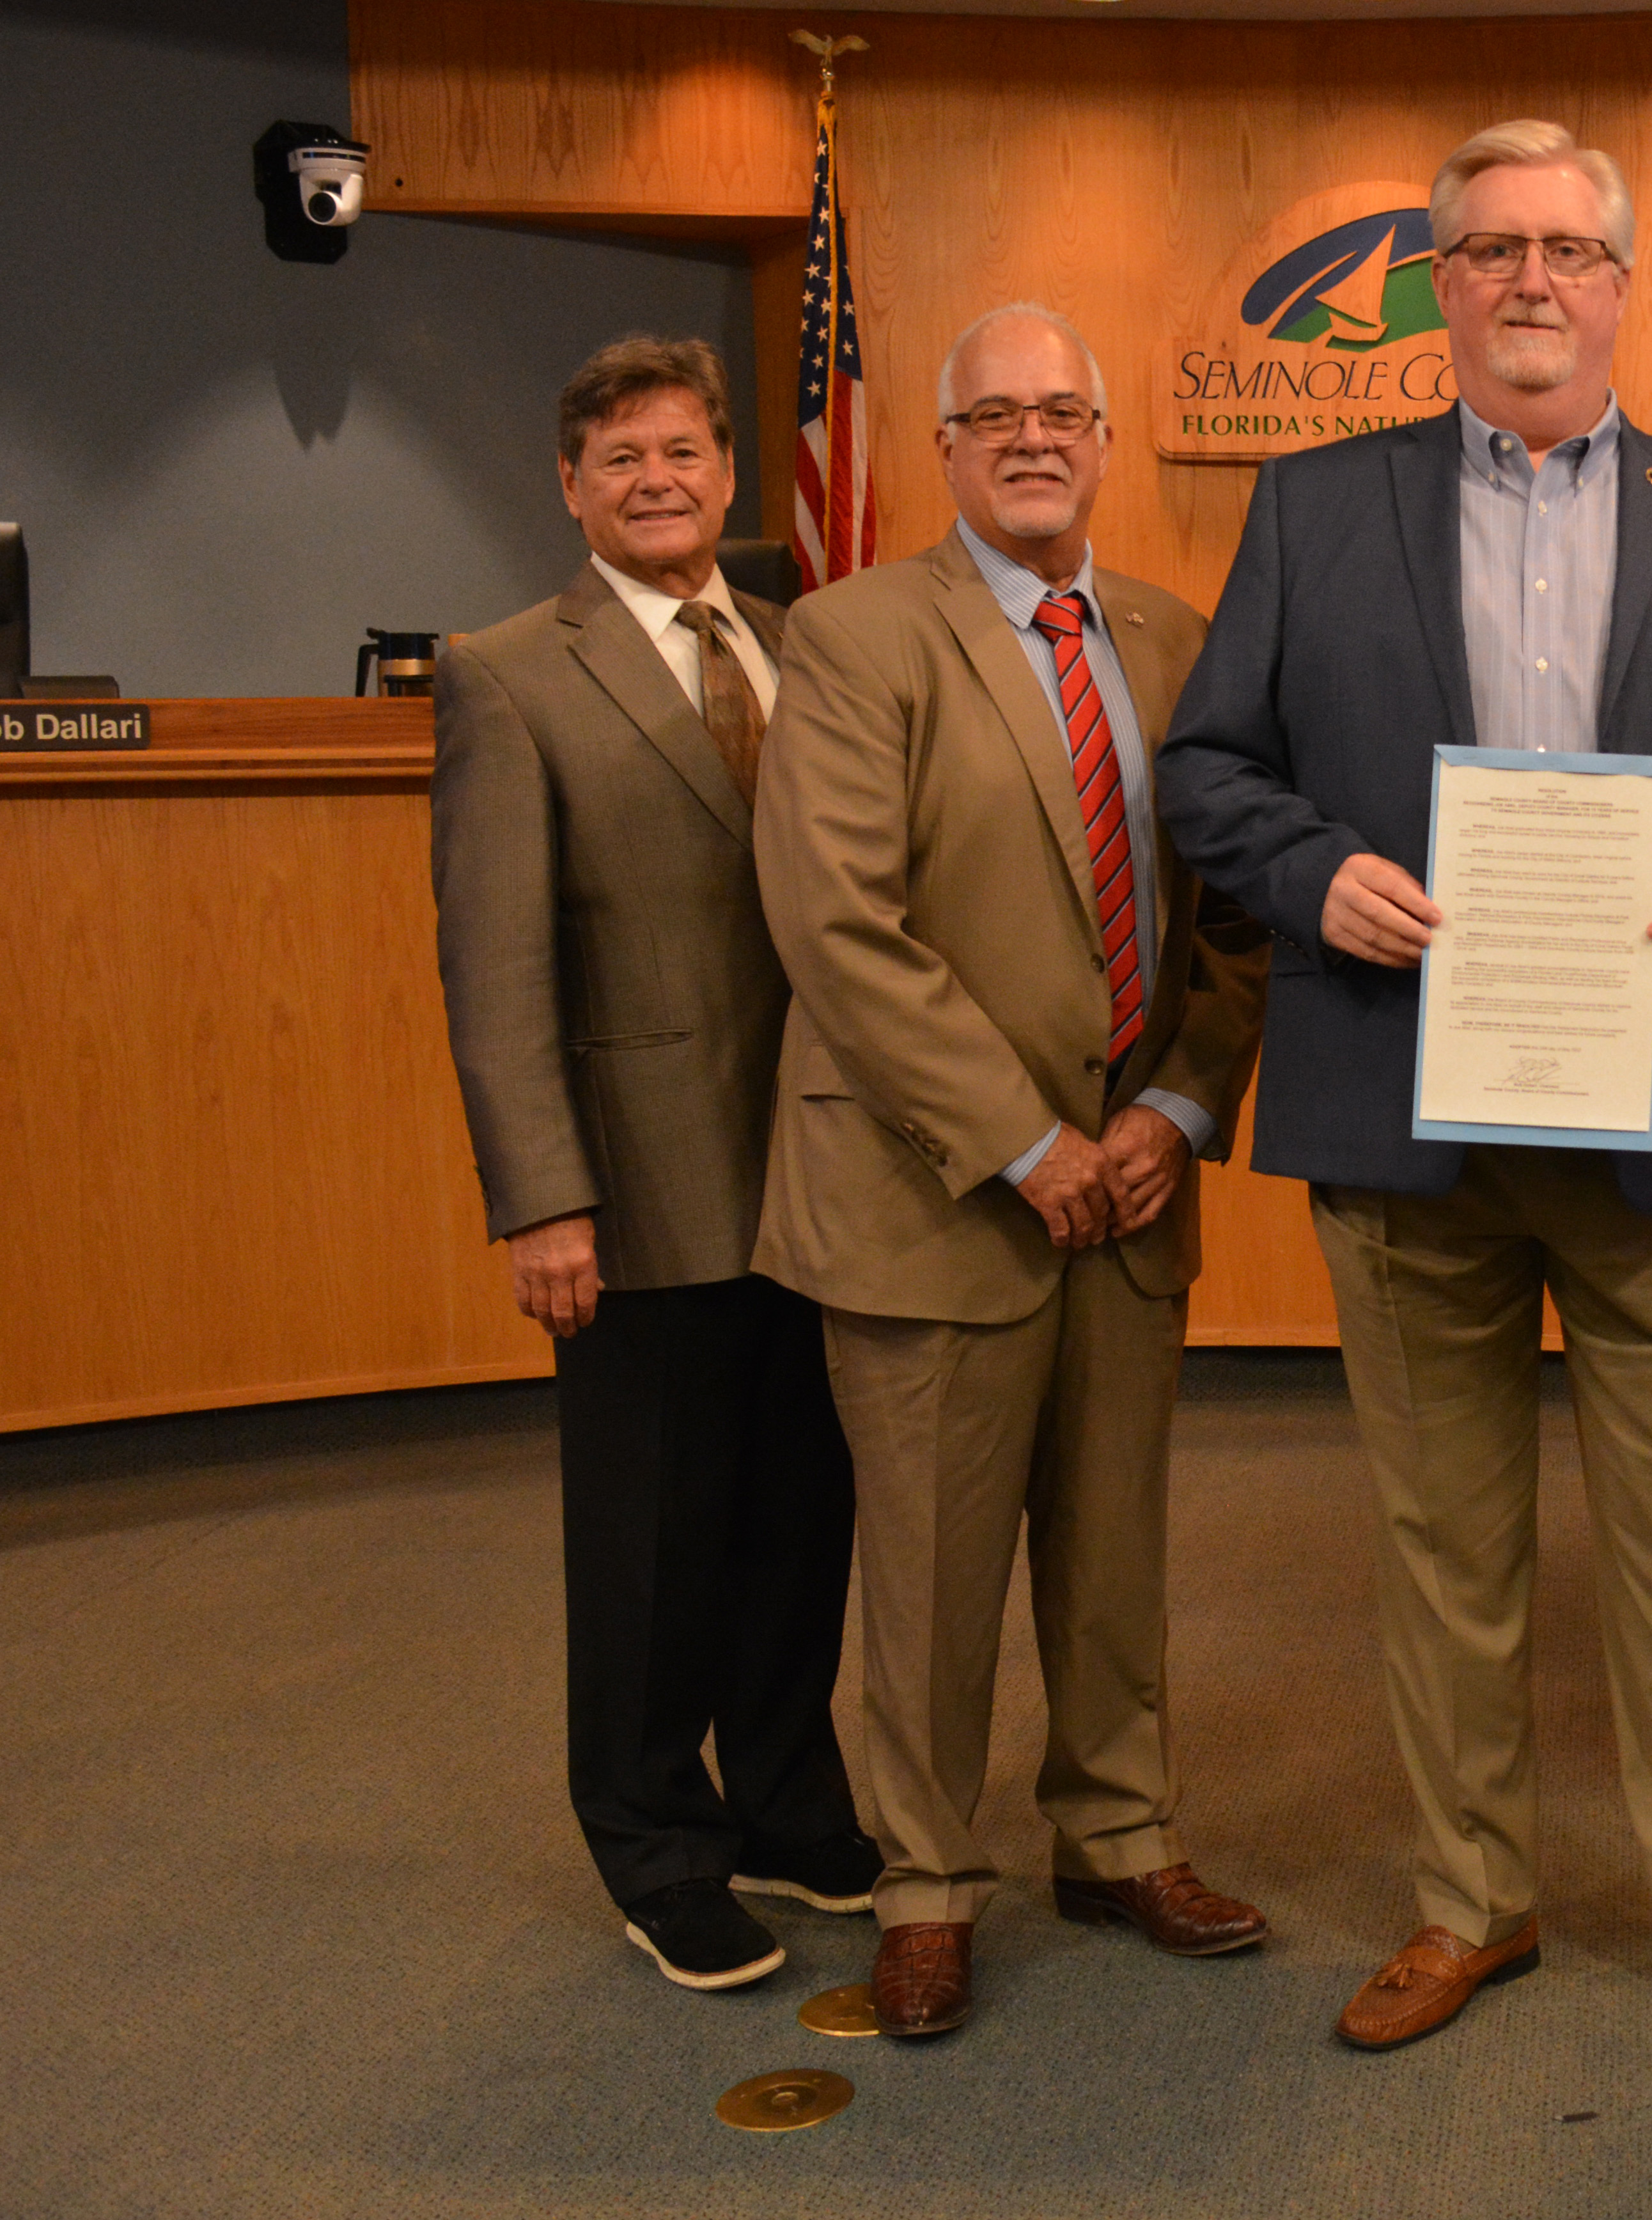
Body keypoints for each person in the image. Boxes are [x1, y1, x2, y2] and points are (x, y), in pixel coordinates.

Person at [1160, 120, 1652, 2065]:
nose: (1533, 280)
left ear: (1625, 288)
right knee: (1445, 1548)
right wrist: (1316, 877)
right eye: (1491, 251)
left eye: (1569, 248)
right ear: (1443, 289)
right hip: (1404, 1110)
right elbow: (1207, 769)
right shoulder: (1316, 510)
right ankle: (1469, 1903)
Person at [751, 302, 1273, 2039]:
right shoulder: (851, 636)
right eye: (999, 415)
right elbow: (840, 925)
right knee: (931, 1578)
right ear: (948, 450)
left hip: (1131, 1192)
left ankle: (1118, 1835)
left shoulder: (1178, 639)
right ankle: (924, 1884)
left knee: (1116, 1553)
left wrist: (1174, 1116)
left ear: (1106, 441)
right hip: (936, 1195)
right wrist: (1022, 1137)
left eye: (1066, 410)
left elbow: (1232, 926)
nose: (1036, 437)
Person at [431, 335, 877, 1993]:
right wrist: (542, 1194)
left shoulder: (794, 647)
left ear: (728, 475)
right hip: (635, 1192)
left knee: (797, 1513)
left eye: (683, 452)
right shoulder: (505, 672)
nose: (658, 481)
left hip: (820, 1180)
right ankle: (653, 1839)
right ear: (570, 486)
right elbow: (491, 962)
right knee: (651, 1539)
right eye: (620, 459)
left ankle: (780, 1800)